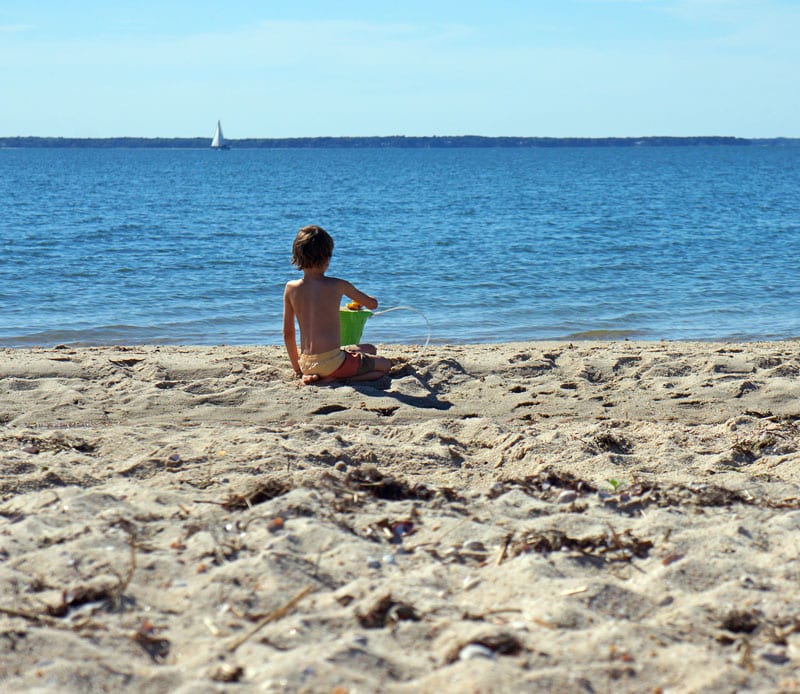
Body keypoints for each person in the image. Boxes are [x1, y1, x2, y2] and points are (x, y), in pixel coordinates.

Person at [283, 225, 392, 384]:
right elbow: (372, 304)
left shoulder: (290, 288)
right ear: (327, 258)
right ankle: (333, 379)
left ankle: (321, 374)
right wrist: (367, 300)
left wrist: (298, 368)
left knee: (370, 349)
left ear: (297, 255)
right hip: (334, 363)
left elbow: (288, 334)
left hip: (306, 363)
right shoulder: (338, 285)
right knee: (384, 365)